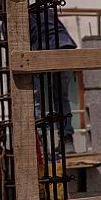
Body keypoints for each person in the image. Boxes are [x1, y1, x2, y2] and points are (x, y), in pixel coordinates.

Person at [30, 9, 77, 154]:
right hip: (65, 49)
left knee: (36, 99)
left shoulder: (14, 17)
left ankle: (42, 143)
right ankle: (67, 141)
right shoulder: (45, 11)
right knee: (62, 98)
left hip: (44, 52)